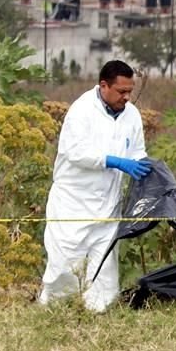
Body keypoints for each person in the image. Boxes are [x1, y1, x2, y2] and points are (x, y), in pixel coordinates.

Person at [38, 60, 151, 312]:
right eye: (121, 91)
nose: (127, 97)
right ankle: (56, 312)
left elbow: (137, 151)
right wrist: (114, 161)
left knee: (104, 267)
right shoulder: (81, 111)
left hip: (108, 204)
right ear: (104, 86)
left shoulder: (131, 115)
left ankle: (99, 315)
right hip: (73, 202)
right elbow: (74, 152)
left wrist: (143, 167)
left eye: (130, 91)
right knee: (65, 263)